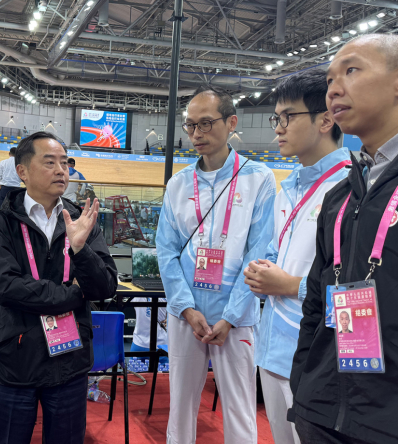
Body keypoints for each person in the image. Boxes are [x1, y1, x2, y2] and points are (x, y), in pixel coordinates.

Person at [290, 34, 398, 444]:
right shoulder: (341, 196)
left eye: (351, 70)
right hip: (323, 413)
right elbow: (316, 304)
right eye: (330, 79)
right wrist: (305, 383)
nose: (333, 89)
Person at [157, 85, 276, 444]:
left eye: (206, 123)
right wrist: (185, 307)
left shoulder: (259, 178)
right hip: (186, 314)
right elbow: (166, 251)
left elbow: (260, 253)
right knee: (180, 407)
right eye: (191, 125)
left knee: (239, 409)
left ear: (231, 123)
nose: (197, 134)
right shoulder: (178, 184)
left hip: (235, 316)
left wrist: (231, 316)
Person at [0, 131, 117, 444]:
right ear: (22, 171)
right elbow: (5, 287)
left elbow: (105, 287)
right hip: (15, 360)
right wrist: (74, 293)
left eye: (65, 163)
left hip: (68, 362)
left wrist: (81, 250)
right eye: (50, 162)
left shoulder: (81, 220)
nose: (61, 170)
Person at [242, 68, 350, 444]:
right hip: (272, 346)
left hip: (319, 355)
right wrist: (260, 271)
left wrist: (290, 285)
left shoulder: (351, 186)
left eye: (288, 117)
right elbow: (278, 251)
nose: (278, 128)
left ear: (325, 120)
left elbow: (360, 286)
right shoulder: (288, 187)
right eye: (276, 118)